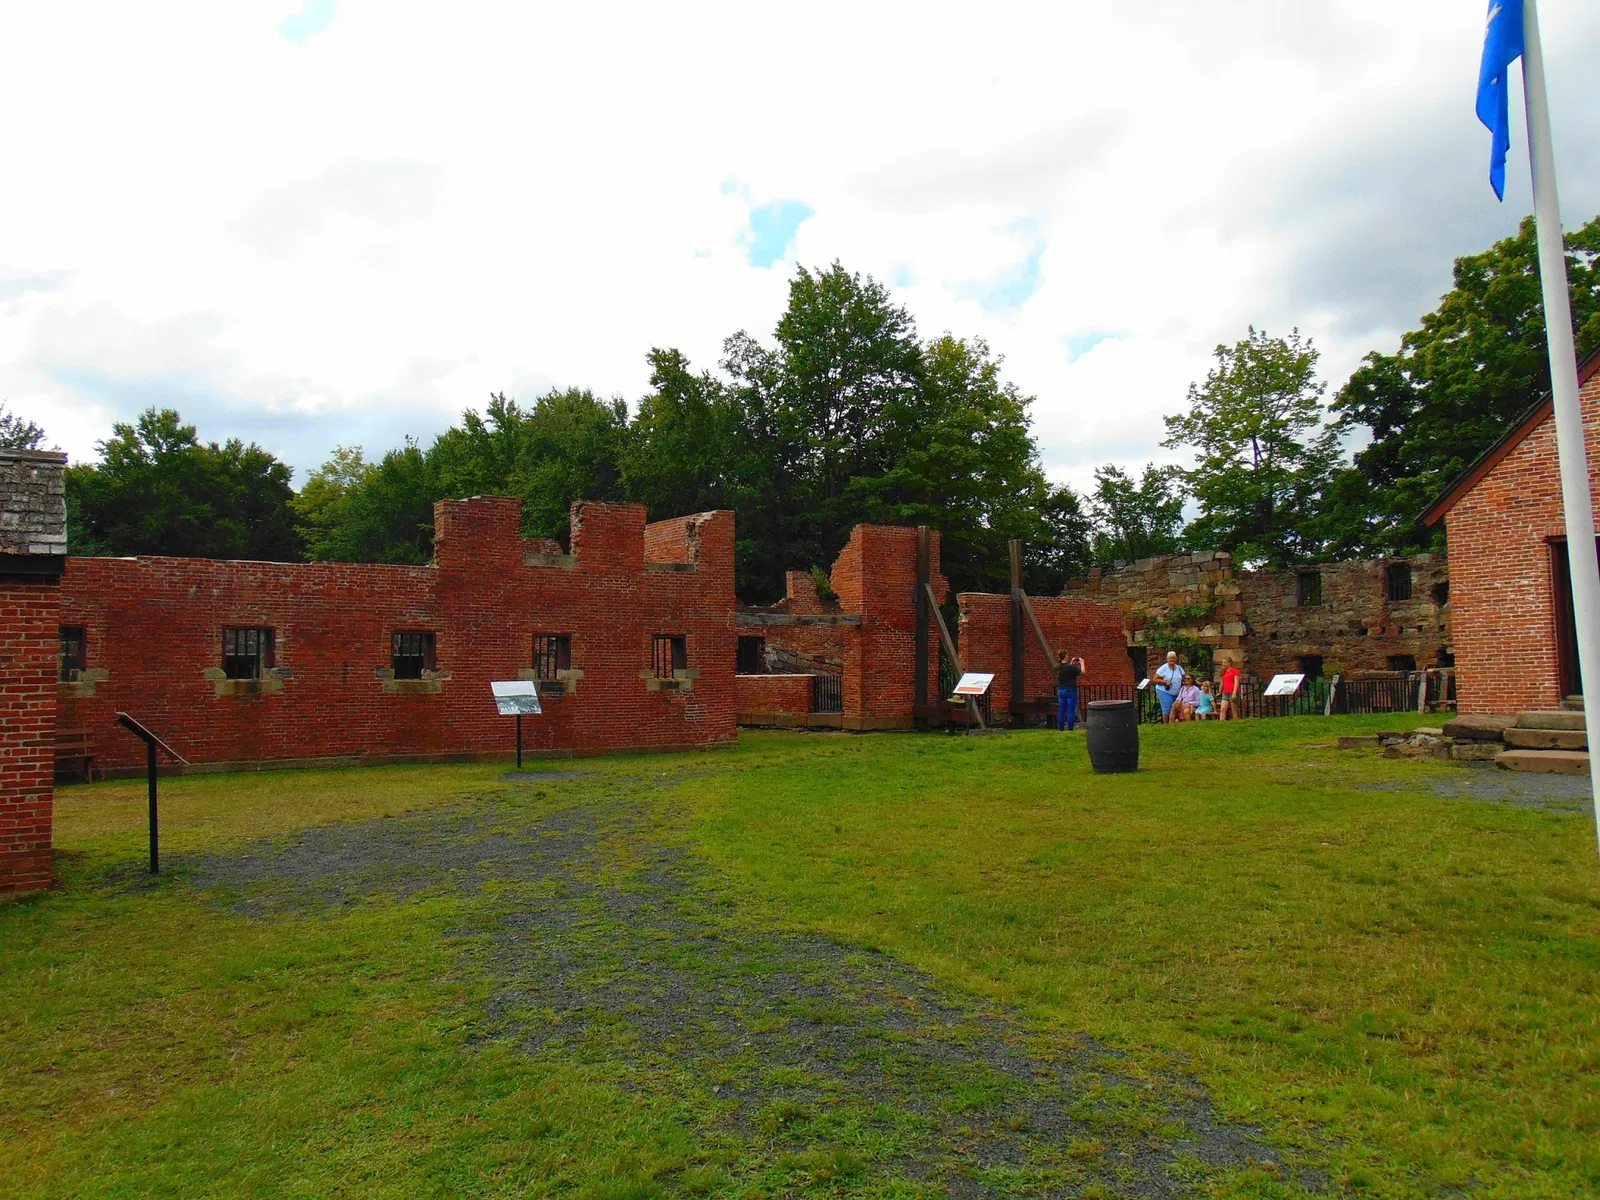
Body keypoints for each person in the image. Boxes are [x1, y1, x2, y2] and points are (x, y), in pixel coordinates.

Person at [1154, 651, 1185, 723]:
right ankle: (1166, 724)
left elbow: (1184, 678)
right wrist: (1165, 682)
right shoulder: (1163, 668)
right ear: (1167, 659)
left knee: (1176, 708)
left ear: (1176, 659)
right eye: (1170, 658)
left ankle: (1173, 723)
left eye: (1173, 658)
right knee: (1167, 707)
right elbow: (1155, 679)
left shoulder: (1179, 668)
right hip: (1164, 691)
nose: (1172, 660)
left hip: (1177, 692)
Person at [1055, 651, 1083, 731]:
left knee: (1061, 710)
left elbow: (1065, 670)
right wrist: (1082, 662)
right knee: (1071, 710)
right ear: (1066, 656)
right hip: (1070, 690)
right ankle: (1070, 729)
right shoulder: (1070, 667)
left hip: (1061, 690)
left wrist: (1071, 663)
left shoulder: (1058, 667)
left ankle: (1061, 729)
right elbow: (1083, 672)